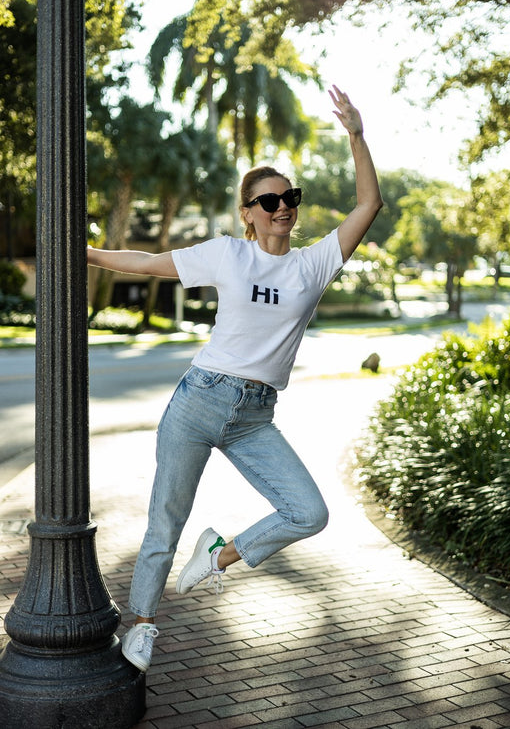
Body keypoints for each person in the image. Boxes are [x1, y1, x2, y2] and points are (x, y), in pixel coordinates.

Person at [87, 86, 383, 672]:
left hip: (254, 416)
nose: (282, 208)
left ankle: (220, 555)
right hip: (200, 400)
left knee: (309, 512)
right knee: (163, 522)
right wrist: (87, 253)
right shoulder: (228, 254)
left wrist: (356, 134)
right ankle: (142, 624)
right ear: (248, 211)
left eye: (289, 198)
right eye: (269, 201)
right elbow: (151, 264)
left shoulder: (312, 263)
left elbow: (368, 205)